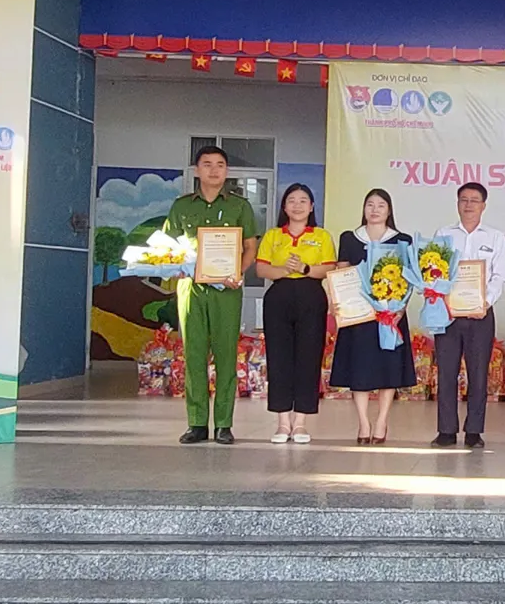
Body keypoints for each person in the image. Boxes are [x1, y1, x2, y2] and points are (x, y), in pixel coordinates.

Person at [164, 145, 259, 444]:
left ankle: (224, 424)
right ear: (197, 170)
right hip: (191, 288)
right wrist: (176, 267)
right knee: (193, 355)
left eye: (220, 164)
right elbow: (168, 246)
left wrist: (239, 272)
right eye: (207, 164)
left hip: (227, 290)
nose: (214, 170)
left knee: (226, 354)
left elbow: (250, 247)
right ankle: (196, 424)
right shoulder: (181, 206)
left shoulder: (239, 206)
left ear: (226, 171)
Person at [329, 188, 416, 443]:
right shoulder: (350, 238)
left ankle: (381, 421)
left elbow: (408, 278)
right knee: (360, 369)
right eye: (370, 204)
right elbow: (342, 273)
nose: (375, 209)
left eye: (381, 205)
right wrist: (338, 303)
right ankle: (363, 423)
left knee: (388, 368)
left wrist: (400, 308)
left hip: (389, 315)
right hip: (359, 316)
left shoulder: (402, 240)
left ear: (389, 210)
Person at [254, 182, 337, 445]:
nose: (297, 205)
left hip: (311, 296)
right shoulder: (273, 235)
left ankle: (300, 422)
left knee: (308, 358)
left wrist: (304, 268)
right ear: (284, 206)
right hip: (279, 297)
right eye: (292, 200)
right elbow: (261, 269)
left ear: (311, 207)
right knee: (278, 358)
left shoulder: (321, 236)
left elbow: (329, 268)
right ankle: (282, 422)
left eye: (303, 201)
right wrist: (284, 270)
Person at [432, 181, 505, 448]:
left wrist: (484, 303)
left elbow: (500, 275)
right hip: (448, 314)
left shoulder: (495, 237)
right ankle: (446, 430)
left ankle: (474, 431)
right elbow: (433, 270)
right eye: (463, 200)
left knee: (478, 373)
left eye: (474, 200)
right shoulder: (443, 234)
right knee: (446, 372)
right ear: (457, 204)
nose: (468, 205)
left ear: (483, 206)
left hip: (481, 315)